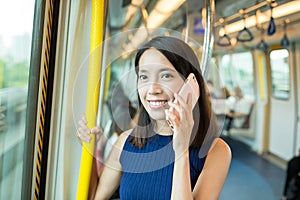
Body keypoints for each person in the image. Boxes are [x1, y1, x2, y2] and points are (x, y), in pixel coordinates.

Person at [77, 36, 232, 199]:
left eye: (166, 76)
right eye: (144, 77)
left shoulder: (216, 151)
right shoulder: (126, 141)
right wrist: (89, 148)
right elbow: (95, 197)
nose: (152, 89)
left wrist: (181, 150)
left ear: (191, 85)